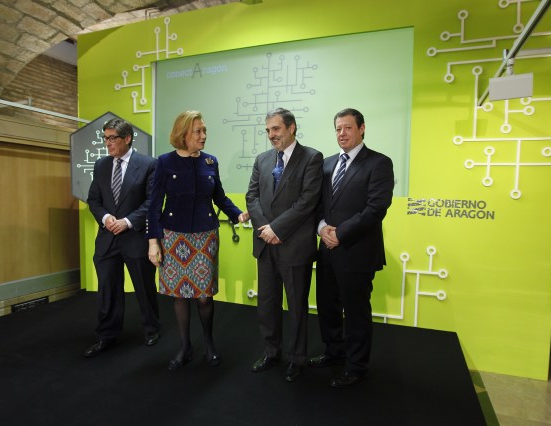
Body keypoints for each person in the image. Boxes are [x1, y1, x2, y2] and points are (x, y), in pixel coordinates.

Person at [147, 110, 249, 370]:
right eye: (198, 131)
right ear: (183, 134)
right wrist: (153, 241)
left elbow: (220, 198)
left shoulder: (210, 162)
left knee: (204, 296)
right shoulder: (164, 162)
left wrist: (237, 214)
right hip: (173, 236)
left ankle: (208, 343)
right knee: (179, 296)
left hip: (205, 236)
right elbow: (154, 206)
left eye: (204, 131)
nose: (204, 136)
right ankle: (184, 347)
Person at [308, 108, 394, 387]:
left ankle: (356, 366)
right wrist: (322, 228)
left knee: (356, 311)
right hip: (327, 250)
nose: (341, 134)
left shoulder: (379, 163)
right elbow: (318, 205)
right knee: (327, 306)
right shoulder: (327, 164)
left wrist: (340, 234)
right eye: (337, 129)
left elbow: (376, 208)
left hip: (356, 251)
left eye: (347, 128)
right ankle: (334, 352)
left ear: (361, 129)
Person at [245, 108, 323, 382]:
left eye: (275, 129)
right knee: (267, 304)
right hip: (266, 245)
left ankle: (297, 359)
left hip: (294, 245)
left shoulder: (312, 158)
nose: (271, 135)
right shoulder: (262, 159)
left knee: (296, 306)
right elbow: (251, 196)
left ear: (291, 128)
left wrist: (277, 228)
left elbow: (307, 201)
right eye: (267, 131)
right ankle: (271, 351)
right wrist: (266, 229)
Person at [84, 118, 161, 358]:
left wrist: (127, 222)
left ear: (127, 138)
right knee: (108, 289)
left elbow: (152, 202)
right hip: (107, 239)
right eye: (105, 138)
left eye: (111, 138)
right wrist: (106, 217)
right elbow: (94, 200)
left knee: (144, 288)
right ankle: (107, 335)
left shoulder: (149, 165)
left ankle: (151, 330)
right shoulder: (101, 165)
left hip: (136, 237)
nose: (107, 143)